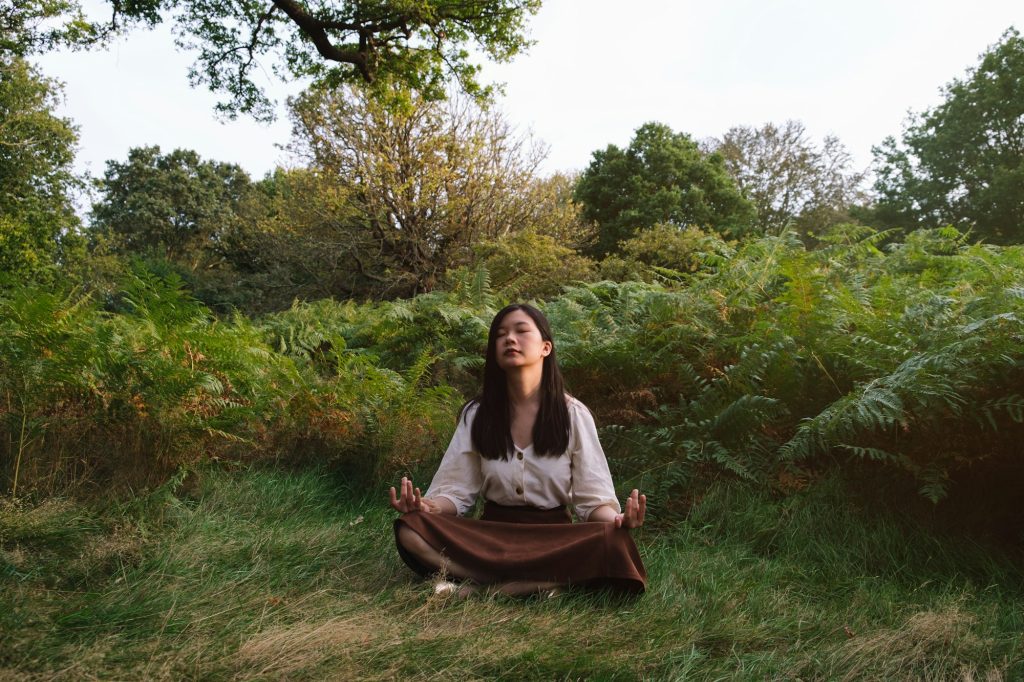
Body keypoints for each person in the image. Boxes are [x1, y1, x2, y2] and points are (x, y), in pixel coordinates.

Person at [390, 303, 647, 597]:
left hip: (552, 540)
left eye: (521, 331)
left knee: (613, 542)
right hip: (490, 538)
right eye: (501, 335)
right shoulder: (478, 414)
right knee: (411, 528)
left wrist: (618, 522)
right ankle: (532, 585)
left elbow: (593, 498)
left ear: (545, 347)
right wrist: (430, 508)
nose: (510, 339)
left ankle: (478, 588)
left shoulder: (573, 415)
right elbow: (457, 490)